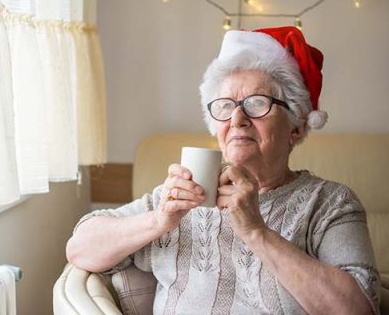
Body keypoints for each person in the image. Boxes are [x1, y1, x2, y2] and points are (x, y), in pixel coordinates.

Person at [66, 26, 380, 314]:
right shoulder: (185, 195)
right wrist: (158, 221)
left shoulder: (330, 203)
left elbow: (359, 309)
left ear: (296, 126)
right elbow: (80, 249)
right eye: (225, 105)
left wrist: (257, 232)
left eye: (257, 103)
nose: (237, 119)